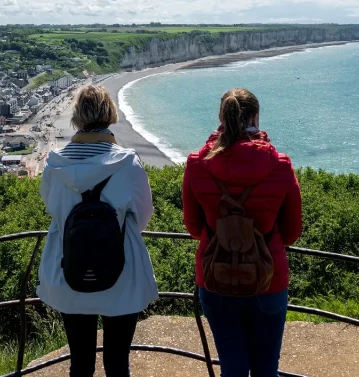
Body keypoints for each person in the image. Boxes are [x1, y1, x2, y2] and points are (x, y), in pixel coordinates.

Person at [37, 84, 158, 377]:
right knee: (117, 363)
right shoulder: (127, 163)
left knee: (80, 363)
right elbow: (143, 216)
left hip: (70, 270)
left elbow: (54, 211)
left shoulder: (54, 165)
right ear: (109, 115)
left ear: (77, 117)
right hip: (121, 273)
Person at [181, 88, 303, 377]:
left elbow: (195, 229)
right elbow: (291, 233)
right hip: (268, 277)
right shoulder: (280, 165)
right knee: (266, 370)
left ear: (221, 118)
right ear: (256, 118)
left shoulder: (197, 164)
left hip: (215, 276)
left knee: (232, 368)